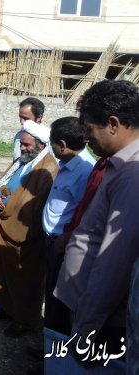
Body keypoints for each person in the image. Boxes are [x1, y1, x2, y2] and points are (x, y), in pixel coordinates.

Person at [55, 80, 139, 362]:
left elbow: (114, 261)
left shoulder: (131, 175)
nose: (87, 139)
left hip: (99, 322)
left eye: (90, 130)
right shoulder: (120, 163)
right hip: (88, 308)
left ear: (113, 124)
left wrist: (87, 328)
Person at [0, 120, 58, 337]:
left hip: (25, 233)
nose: (22, 148)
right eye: (21, 144)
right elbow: (1, 184)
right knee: (2, 270)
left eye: (27, 145)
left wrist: (8, 208)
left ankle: (23, 320)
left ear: (41, 145)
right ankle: (1, 307)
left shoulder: (49, 169)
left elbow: (35, 205)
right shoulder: (21, 161)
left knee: (24, 279)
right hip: (5, 223)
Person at [42, 116, 96, 335]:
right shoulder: (68, 164)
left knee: (60, 303)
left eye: (52, 143)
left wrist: (63, 241)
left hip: (63, 246)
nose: (51, 147)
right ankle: (49, 345)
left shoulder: (85, 172)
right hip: (53, 242)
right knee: (51, 299)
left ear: (62, 145)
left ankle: (56, 354)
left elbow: (85, 217)